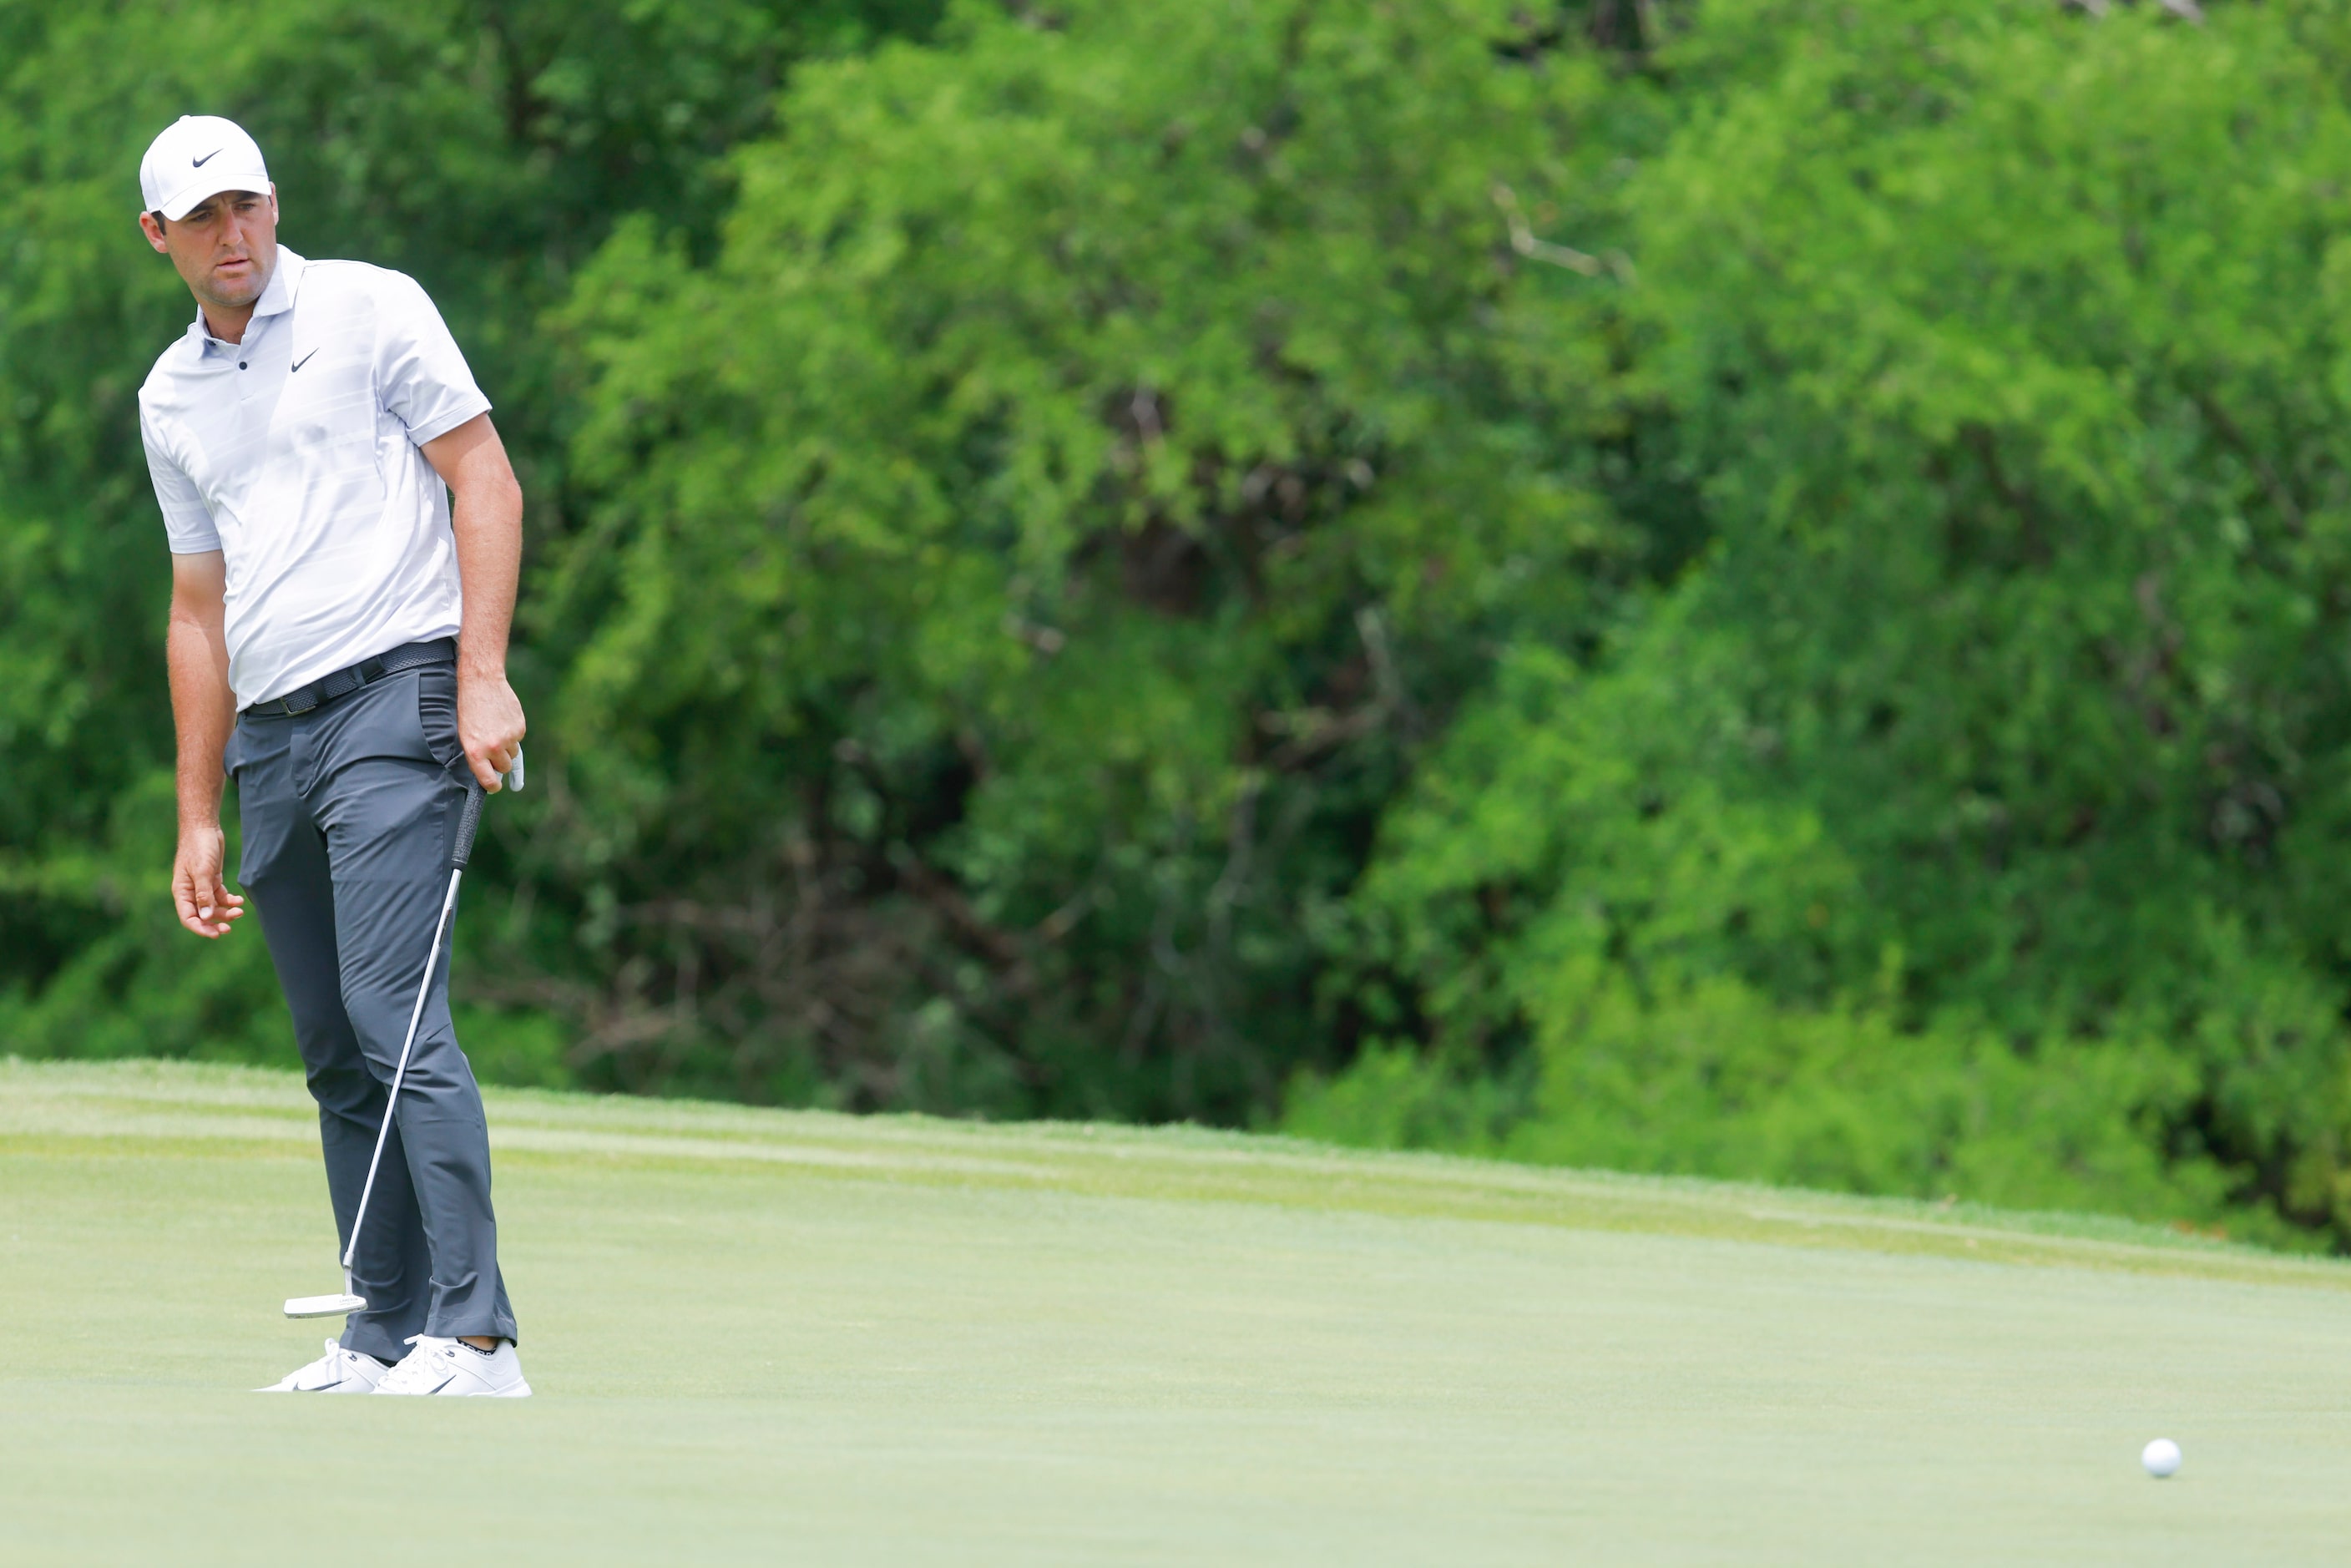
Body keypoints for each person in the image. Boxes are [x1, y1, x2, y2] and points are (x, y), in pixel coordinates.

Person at [138, 114, 532, 1397]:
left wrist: (481, 676)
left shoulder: (372, 308)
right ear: (163, 238)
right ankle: (383, 1330)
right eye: (203, 218)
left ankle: (476, 1338)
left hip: (397, 700)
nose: (232, 232)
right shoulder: (169, 396)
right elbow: (199, 610)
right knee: (331, 1043)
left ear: (272, 201)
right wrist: (197, 811)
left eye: (246, 204)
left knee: (395, 1014)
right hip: (272, 739)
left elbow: (484, 476)